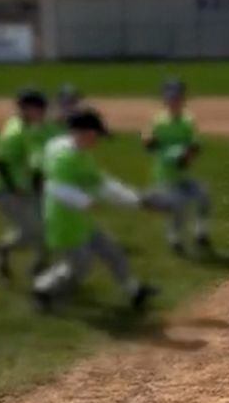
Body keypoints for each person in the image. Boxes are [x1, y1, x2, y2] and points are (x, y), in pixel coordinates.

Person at [31, 108, 159, 312]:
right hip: (64, 222)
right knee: (77, 267)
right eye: (95, 134)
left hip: (81, 218)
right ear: (81, 132)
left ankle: (134, 291)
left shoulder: (75, 150)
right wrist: (84, 201)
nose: (97, 139)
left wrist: (136, 200)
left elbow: (102, 183)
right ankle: (42, 289)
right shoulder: (65, 157)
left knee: (112, 252)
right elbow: (56, 187)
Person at [0, 88, 57, 280]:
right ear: (25, 109)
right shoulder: (14, 131)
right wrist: (12, 186)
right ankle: (0, 249)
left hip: (33, 187)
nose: (42, 112)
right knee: (30, 231)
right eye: (38, 108)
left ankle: (40, 267)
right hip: (7, 191)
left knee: (47, 227)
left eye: (43, 108)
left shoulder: (38, 126)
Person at [143, 78, 211, 255]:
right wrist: (177, 155)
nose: (174, 101)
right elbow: (152, 146)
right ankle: (174, 237)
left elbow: (194, 143)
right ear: (165, 100)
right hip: (164, 177)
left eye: (178, 97)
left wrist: (190, 154)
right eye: (170, 97)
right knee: (178, 204)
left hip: (183, 176)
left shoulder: (187, 120)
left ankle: (200, 232)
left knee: (203, 194)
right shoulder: (158, 122)